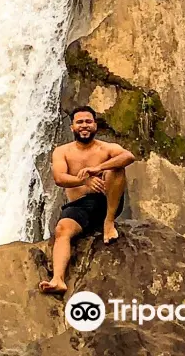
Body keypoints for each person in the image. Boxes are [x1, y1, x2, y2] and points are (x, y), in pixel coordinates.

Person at [38, 105, 135, 294]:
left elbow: (128, 156)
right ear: (72, 127)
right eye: (80, 122)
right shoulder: (62, 151)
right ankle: (58, 279)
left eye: (88, 121)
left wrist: (97, 169)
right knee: (62, 230)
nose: (84, 125)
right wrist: (83, 180)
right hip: (79, 206)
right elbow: (59, 178)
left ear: (95, 125)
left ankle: (108, 223)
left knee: (116, 168)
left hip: (106, 201)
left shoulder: (107, 148)